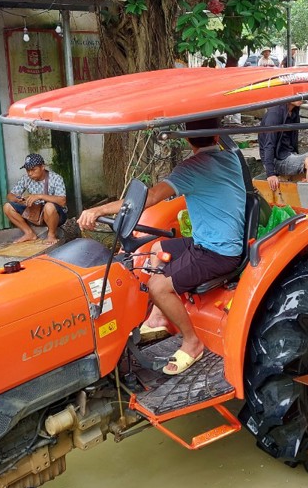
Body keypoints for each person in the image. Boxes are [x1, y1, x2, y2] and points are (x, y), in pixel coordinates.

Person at [78, 119, 245, 376]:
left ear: (187, 139)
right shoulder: (231, 158)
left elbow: (152, 197)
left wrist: (99, 209)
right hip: (207, 243)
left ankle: (192, 342)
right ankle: (158, 316)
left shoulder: (192, 167)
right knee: (155, 249)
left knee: (157, 286)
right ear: (217, 136)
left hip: (217, 252)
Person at [4, 154, 69, 245]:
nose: (30, 173)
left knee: (49, 206)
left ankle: (51, 235)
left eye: (33, 170)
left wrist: (39, 196)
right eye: (28, 170)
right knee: (7, 207)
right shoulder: (26, 179)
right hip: (35, 214)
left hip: (55, 215)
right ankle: (29, 233)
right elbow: (10, 195)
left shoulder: (56, 178)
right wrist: (18, 199)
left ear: (42, 167)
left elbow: (62, 201)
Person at [259, 101, 308, 191]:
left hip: (289, 155)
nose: (300, 97)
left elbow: (293, 141)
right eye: (296, 92)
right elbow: (268, 145)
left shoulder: (294, 112)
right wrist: (270, 174)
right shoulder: (274, 114)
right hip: (277, 160)